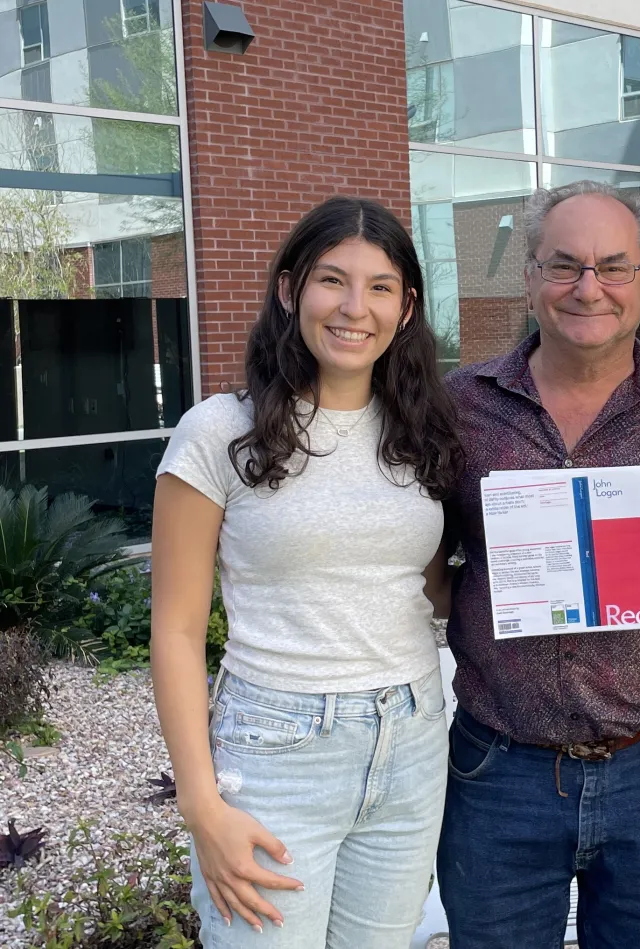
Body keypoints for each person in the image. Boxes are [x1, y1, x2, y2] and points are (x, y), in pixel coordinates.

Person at [436, 179, 640, 949]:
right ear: (528, 277)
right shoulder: (458, 407)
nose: (590, 288)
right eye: (564, 266)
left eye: (614, 266)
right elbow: (419, 547)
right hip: (500, 769)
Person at [149, 196, 464, 948]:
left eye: (381, 286)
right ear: (290, 291)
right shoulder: (220, 431)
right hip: (277, 752)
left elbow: (429, 589)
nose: (356, 308)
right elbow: (177, 627)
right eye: (333, 280)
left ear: (407, 305)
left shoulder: (421, 432)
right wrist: (202, 805)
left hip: (414, 739)